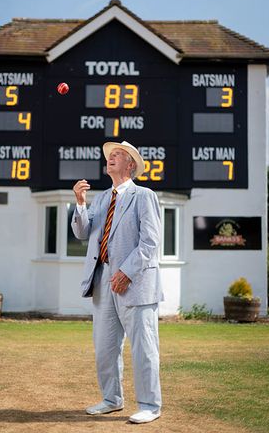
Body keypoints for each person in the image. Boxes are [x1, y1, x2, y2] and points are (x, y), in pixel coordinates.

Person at [71, 140, 163, 424]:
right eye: (110, 155)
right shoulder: (101, 199)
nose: (111, 158)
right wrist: (80, 203)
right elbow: (83, 232)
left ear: (130, 165)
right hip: (103, 282)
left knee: (144, 347)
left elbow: (150, 242)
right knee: (105, 346)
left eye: (118, 155)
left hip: (135, 282)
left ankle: (150, 405)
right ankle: (112, 399)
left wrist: (126, 272)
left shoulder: (144, 195)